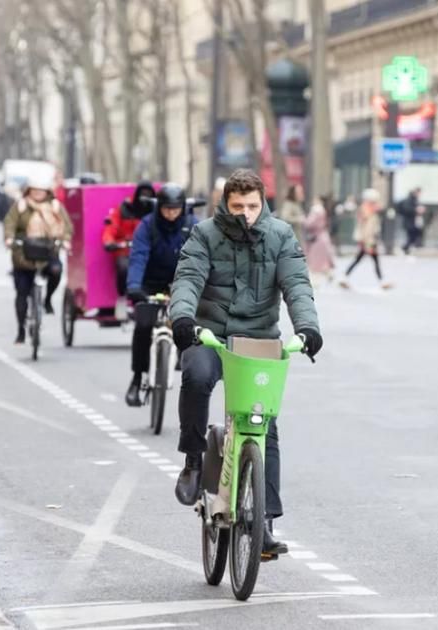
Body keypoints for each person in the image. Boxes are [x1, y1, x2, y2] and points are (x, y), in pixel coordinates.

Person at [168, 169, 322, 557]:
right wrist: (183, 319)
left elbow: (298, 285)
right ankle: (192, 457)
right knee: (198, 375)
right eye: (238, 206)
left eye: (253, 206)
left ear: (263, 203)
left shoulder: (280, 235)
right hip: (210, 334)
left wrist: (307, 329)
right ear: (225, 203)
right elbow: (187, 278)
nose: (246, 214)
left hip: (257, 338)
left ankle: (264, 521)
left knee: (263, 423)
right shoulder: (205, 235)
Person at [123, 183, 198, 407]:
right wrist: (135, 286)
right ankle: (138, 378)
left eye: (176, 209)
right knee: (143, 325)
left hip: (182, 282)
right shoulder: (147, 226)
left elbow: (201, 259)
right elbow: (138, 257)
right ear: (159, 207)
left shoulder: (193, 226)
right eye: (167, 209)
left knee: (191, 327)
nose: (171, 214)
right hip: (150, 281)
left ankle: (189, 377)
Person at [3, 172, 73, 344]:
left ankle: (47, 299)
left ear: (47, 192)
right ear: (29, 191)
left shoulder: (55, 207)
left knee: (56, 271)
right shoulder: (20, 206)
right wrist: (9, 238)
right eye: (34, 190)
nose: (37, 194)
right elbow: (9, 223)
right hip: (23, 254)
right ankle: (21, 329)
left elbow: (66, 226)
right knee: (22, 293)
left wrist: (65, 240)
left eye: (41, 191)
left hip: (48, 251)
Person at [103, 180, 157, 304]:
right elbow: (111, 227)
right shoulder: (124, 208)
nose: (145, 198)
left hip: (149, 251)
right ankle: (122, 294)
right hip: (126, 250)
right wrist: (109, 242)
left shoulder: (156, 212)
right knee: (124, 267)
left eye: (149, 194)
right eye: (142, 194)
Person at [339, 189, 391, 290]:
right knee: (372, 260)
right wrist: (368, 241)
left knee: (361, 259)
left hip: (368, 239)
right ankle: (382, 281)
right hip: (368, 240)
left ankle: (344, 276)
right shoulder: (366, 209)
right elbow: (366, 227)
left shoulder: (369, 209)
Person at [303, 195, 337, 285]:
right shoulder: (322, 210)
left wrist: (303, 219)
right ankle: (328, 274)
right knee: (322, 259)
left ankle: (316, 281)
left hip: (317, 239)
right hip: (323, 237)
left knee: (315, 260)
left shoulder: (316, 210)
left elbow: (309, 223)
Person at [396, 187, 424, 255]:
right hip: (409, 222)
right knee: (411, 237)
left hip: (414, 222)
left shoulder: (415, 200)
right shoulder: (409, 200)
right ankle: (405, 248)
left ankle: (406, 249)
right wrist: (416, 210)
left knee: (413, 236)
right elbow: (407, 209)